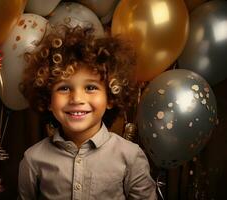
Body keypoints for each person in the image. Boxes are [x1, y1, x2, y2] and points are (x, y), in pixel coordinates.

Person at [18, 25, 157, 200]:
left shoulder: (130, 156)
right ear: (48, 100)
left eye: (90, 87)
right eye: (64, 88)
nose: (76, 99)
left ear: (111, 97)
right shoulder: (33, 160)